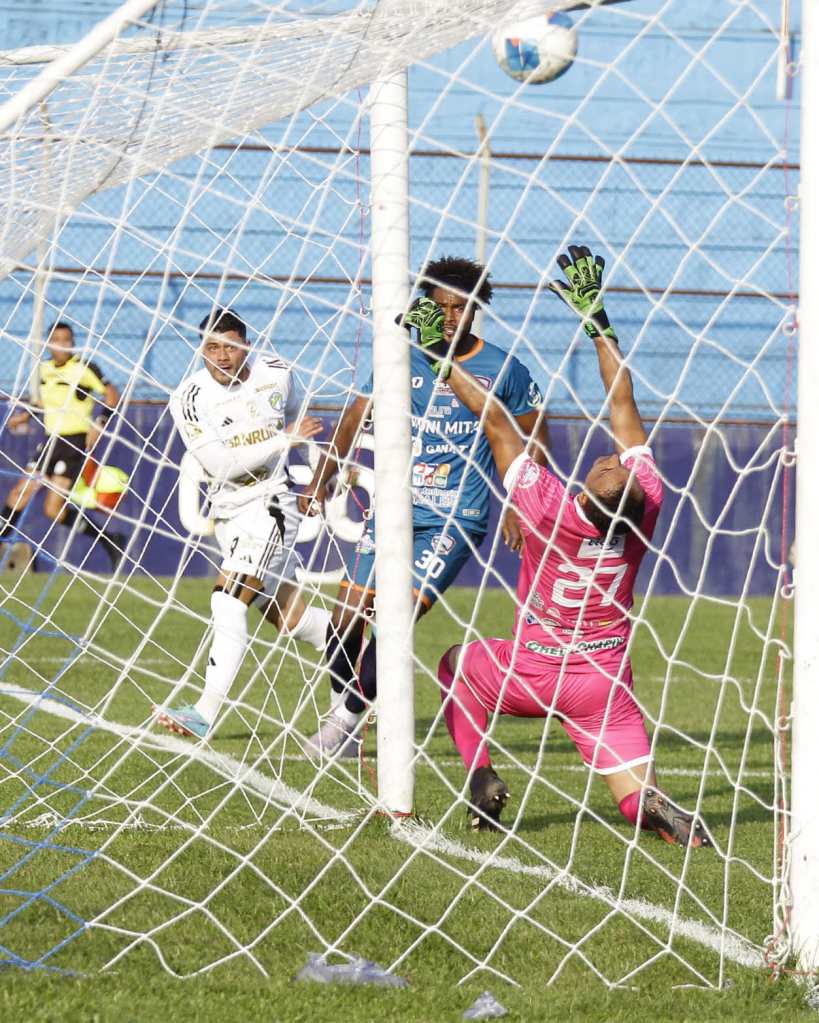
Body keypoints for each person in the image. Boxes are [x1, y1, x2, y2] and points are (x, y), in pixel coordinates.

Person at [427, 246, 711, 847]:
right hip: (603, 683)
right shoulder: (646, 507)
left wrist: (439, 356)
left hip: (530, 670)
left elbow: (496, 420)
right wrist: (597, 319)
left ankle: (479, 774)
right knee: (635, 795)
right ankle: (657, 812)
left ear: (589, 493)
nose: (612, 459)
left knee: (453, 664)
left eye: (609, 469)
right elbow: (623, 403)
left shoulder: (546, 506)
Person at [299, 255, 548, 759]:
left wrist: (521, 503)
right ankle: (347, 716)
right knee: (346, 618)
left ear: (475, 309)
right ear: (426, 308)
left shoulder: (503, 368)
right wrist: (324, 476)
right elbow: (354, 417)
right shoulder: (400, 358)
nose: (453, 317)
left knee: (395, 619)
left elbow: (535, 435)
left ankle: (342, 722)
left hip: (457, 518)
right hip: (396, 509)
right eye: (443, 308)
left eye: (462, 308)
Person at [155, 307, 332, 740]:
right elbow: (219, 464)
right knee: (288, 617)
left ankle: (203, 713)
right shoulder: (189, 398)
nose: (221, 356)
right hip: (229, 509)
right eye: (211, 347)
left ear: (246, 346)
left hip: (271, 504)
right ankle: (366, 649)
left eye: (230, 347)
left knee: (228, 601)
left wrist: (319, 480)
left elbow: (302, 422)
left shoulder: (277, 373)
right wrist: (283, 439)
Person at [0, 320, 124, 570]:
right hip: (50, 442)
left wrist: (99, 423)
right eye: (56, 340)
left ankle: (110, 540)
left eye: (66, 340)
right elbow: (42, 404)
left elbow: (112, 395)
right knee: (18, 493)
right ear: (48, 343)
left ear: (73, 343)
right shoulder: (43, 369)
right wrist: (25, 417)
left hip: (73, 444)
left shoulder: (84, 368)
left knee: (53, 510)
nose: (62, 345)